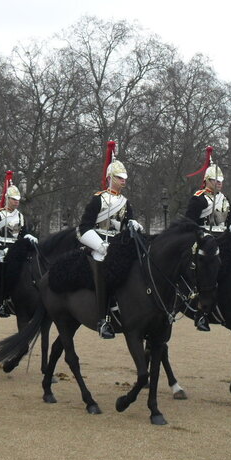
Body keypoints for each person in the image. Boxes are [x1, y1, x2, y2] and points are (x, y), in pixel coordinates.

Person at [77, 141, 143, 339]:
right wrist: (99, 245)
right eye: (120, 178)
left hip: (117, 243)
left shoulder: (125, 202)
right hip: (98, 244)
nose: (124, 181)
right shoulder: (98, 199)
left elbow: (127, 220)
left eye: (124, 178)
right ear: (110, 178)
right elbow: (84, 227)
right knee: (103, 268)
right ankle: (102, 318)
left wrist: (134, 223)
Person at [184, 145, 231, 331]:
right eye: (215, 181)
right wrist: (202, 235)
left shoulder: (224, 199)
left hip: (224, 240)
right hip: (204, 242)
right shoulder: (199, 198)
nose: (219, 183)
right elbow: (190, 223)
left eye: (221, 181)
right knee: (208, 273)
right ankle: (201, 312)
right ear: (207, 180)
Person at [0, 171, 38, 317]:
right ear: (7, 199)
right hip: (0, 249)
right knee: (2, 270)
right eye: (14, 199)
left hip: (16, 249)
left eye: (18, 200)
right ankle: (2, 302)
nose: (16, 202)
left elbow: (23, 233)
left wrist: (29, 237)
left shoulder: (20, 216)